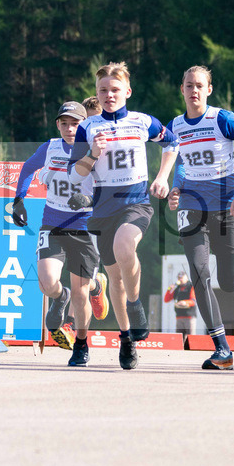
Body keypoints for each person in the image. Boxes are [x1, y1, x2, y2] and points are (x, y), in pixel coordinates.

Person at [68, 62, 176, 370]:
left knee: (125, 247)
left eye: (115, 90)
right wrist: (93, 154)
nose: (109, 95)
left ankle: (136, 302)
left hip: (136, 201)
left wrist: (163, 177)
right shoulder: (88, 127)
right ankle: (127, 338)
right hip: (103, 208)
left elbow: (172, 143)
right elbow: (75, 174)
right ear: (97, 93)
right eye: (103, 90)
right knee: (114, 278)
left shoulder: (143, 121)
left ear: (127, 92)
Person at [164, 65, 234, 369]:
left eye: (199, 85)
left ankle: (229, 266)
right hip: (191, 205)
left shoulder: (222, 119)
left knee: (228, 281)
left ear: (209, 89)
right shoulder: (175, 126)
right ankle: (221, 349)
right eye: (188, 85)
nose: (194, 90)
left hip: (227, 206)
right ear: (182, 89)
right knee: (199, 274)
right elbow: (178, 160)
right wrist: (176, 187)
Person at [13, 101, 110, 364]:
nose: (69, 129)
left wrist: (90, 202)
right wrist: (18, 200)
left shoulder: (96, 150)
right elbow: (27, 168)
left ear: (84, 125)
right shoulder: (50, 147)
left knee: (83, 290)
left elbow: (110, 191)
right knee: (46, 282)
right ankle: (60, 297)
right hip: (53, 222)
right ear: (57, 124)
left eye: (75, 123)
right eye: (64, 123)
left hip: (84, 225)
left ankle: (82, 342)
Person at [164, 271, 197, 337]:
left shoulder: (191, 287)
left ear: (186, 278)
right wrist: (169, 289)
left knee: (191, 337)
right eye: (179, 278)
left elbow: (193, 301)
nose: (180, 279)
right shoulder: (177, 288)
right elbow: (166, 300)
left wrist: (185, 302)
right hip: (179, 316)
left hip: (189, 317)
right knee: (180, 338)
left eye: (182, 278)